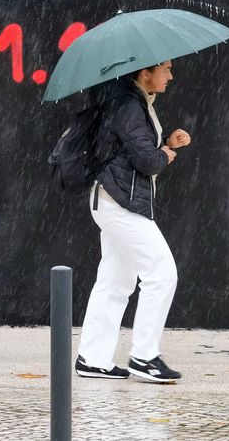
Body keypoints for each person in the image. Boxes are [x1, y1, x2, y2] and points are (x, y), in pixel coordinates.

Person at [74, 60, 190, 384]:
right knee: (161, 273)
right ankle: (144, 356)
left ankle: (93, 359)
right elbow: (146, 161)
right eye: (165, 69)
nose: (170, 75)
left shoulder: (132, 100)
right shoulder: (128, 104)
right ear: (145, 73)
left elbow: (132, 149)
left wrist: (167, 144)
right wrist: (166, 154)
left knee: (115, 282)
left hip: (113, 199)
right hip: (119, 203)